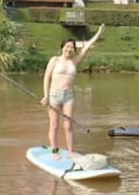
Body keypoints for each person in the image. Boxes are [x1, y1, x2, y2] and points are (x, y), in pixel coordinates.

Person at [40, 24, 105, 157]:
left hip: (68, 96)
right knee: (54, 124)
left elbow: (86, 47)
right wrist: (46, 96)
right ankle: (54, 151)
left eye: (72, 48)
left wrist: (98, 34)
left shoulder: (74, 62)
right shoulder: (55, 60)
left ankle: (70, 151)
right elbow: (47, 78)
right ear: (62, 47)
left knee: (68, 125)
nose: (69, 49)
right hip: (54, 95)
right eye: (67, 47)